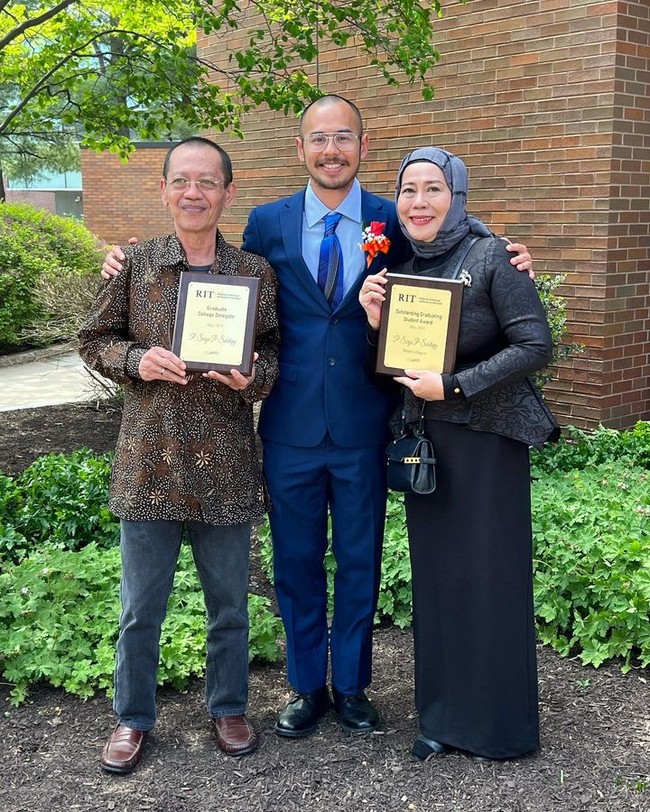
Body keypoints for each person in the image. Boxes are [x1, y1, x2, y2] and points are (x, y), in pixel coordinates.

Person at [100, 96, 533, 740]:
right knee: (295, 565)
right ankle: (306, 687)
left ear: (362, 145)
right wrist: (121, 261)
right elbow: (225, 287)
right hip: (289, 427)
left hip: (366, 422)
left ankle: (352, 687)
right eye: (317, 139)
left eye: (344, 138)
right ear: (300, 149)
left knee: (361, 561)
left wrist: (510, 253)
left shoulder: (394, 216)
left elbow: (449, 246)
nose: (331, 150)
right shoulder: (267, 225)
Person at [79, 137, 280, 774]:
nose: (194, 193)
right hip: (150, 463)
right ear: (165, 190)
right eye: (182, 181)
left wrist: (255, 377)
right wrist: (137, 359)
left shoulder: (253, 273)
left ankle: (228, 707)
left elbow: (274, 352)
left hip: (223, 462)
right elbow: (93, 339)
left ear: (227, 192)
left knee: (230, 603)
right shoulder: (134, 267)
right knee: (141, 608)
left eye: (207, 182)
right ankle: (132, 719)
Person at [359, 146, 559, 762]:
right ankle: (443, 716)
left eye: (433, 189)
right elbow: (400, 361)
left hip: (487, 441)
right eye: (408, 190)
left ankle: (496, 725)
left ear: (458, 196)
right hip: (432, 441)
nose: (419, 202)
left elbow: (535, 344)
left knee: (488, 581)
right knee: (441, 584)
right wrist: (375, 322)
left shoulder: (494, 255)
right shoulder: (398, 265)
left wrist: (457, 384)